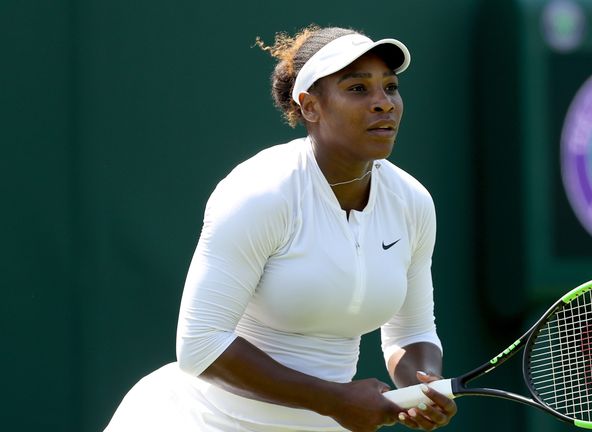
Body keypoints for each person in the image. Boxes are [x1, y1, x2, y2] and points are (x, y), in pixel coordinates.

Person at [105, 24, 457, 432]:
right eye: (358, 89)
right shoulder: (261, 192)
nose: (384, 103)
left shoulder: (411, 202)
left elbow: (411, 331)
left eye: (391, 87)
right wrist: (334, 399)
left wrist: (425, 387)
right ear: (310, 106)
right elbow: (201, 344)